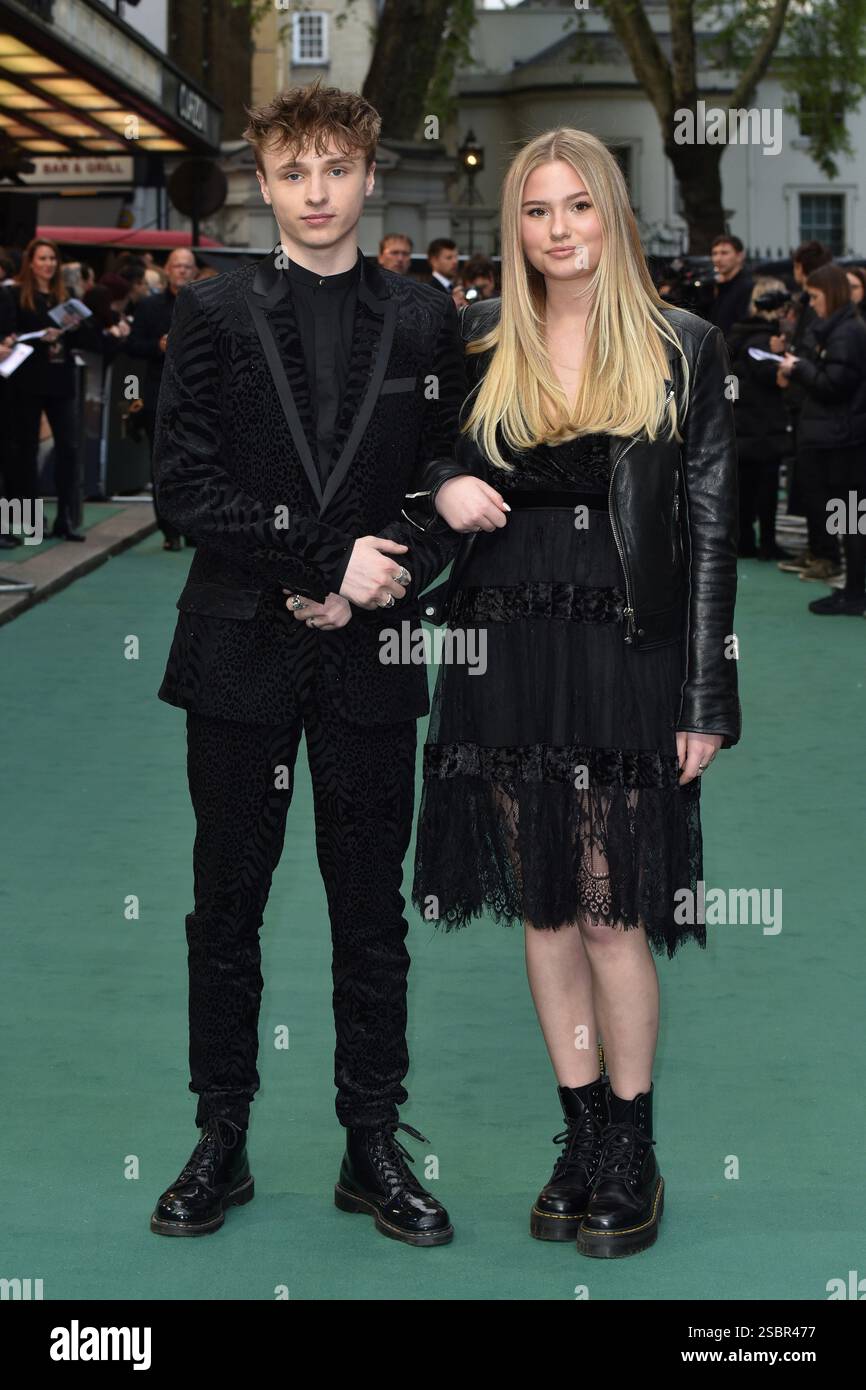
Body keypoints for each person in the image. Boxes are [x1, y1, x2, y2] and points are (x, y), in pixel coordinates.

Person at [410, 127, 740, 1259]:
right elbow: (421, 457)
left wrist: (706, 694)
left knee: (608, 908)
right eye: (538, 212)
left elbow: (706, 532)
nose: (558, 231)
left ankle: (633, 1148)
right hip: (500, 644)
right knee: (543, 905)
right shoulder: (478, 336)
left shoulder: (681, 344)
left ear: (611, 213)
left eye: (577, 208)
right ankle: (580, 1133)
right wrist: (450, 479)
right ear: (518, 226)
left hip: (623, 650)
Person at [148, 80, 466, 1247]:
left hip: (371, 656)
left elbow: (447, 475)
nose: (317, 193)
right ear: (264, 183)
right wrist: (321, 558)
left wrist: (398, 571)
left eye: (337, 171)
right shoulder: (217, 314)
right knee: (224, 907)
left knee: (367, 911)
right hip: (237, 646)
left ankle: (369, 1141)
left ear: (369, 176)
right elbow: (181, 484)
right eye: (295, 173)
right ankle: (218, 1137)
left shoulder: (427, 320)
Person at [0, 237, 103, 542]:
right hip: (26, 379)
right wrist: (36, 337)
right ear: (30, 262)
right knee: (24, 450)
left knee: (69, 448)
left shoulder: (66, 295)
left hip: (60, 379)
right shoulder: (14, 294)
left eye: (52, 259)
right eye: (42, 258)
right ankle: (30, 521)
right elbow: (8, 337)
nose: (47, 264)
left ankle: (65, 518)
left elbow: (87, 338)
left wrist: (74, 327)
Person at [779, 262, 866, 616]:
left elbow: (834, 386)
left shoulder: (846, 332)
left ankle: (855, 591)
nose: (812, 303)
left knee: (850, 521)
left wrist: (799, 368)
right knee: (849, 521)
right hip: (841, 440)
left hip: (842, 443)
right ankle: (853, 588)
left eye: (815, 296)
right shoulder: (842, 329)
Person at [126, 247, 198, 550]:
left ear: (194, 271)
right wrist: (158, 345)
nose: (182, 271)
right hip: (159, 392)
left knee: (196, 463)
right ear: (167, 269)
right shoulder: (149, 306)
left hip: (198, 394)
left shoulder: (209, 301)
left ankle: (196, 530)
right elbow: (132, 345)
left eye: (187, 266)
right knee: (163, 465)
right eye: (177, 265)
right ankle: (169, 532)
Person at [771, 240, 833, 576]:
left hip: (829, 422)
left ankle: (833, 557)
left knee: (833, 493)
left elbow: (833, 376)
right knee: (813, 487)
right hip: (813, 414)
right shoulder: (818, 314)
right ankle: (820, 550)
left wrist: (797, 367)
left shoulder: (846, 329)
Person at [727, 278, 793, 558]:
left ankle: (744, 541)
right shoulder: (765, 339)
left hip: (742, 421)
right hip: (765, 423)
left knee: (745, 487)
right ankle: (767, 542)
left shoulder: (738, 334)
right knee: (765, 489)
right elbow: (774, 379)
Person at [706, 234, 754, 339]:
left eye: (724, 253)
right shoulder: (713, 286)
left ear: (740, 256)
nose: (718, 259)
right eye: (715, 253)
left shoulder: (747, 287)